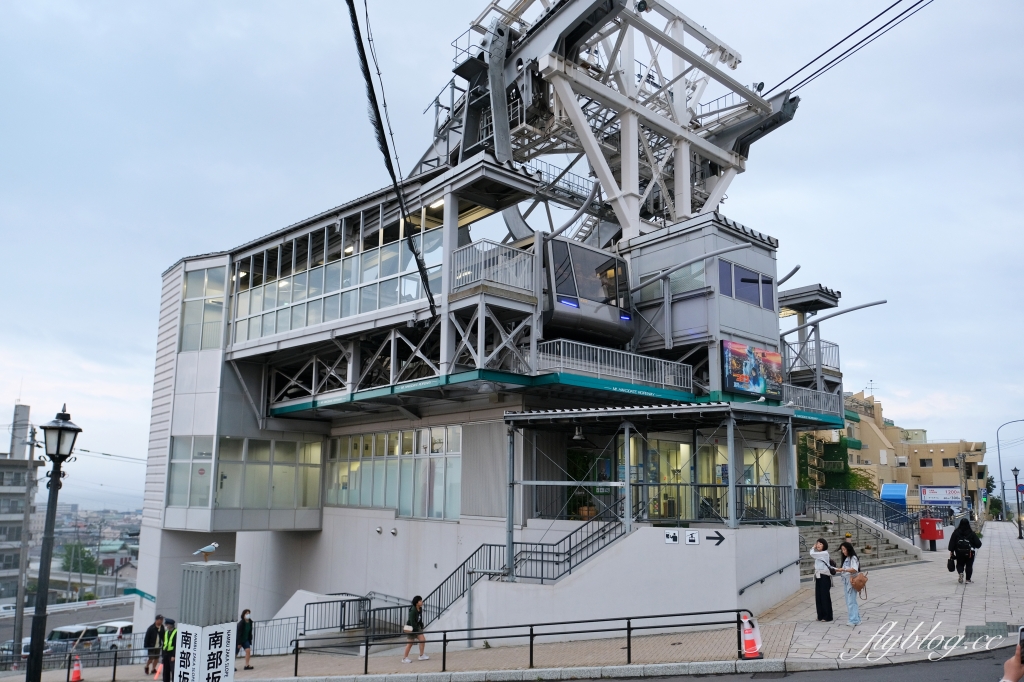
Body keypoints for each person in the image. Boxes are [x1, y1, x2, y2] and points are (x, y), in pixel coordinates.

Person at [947, 517, 982, 584]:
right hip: (970, 553)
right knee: (969, 565)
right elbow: (978, 544)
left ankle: (960, 573)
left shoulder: (956, 532)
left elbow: (952, 542)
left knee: (959, 564)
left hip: (959, 552)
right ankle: (968, 580)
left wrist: (951, 551)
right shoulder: (971, 533)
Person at [836, 542, 861, 626]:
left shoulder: (853, 558)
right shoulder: (847, 558)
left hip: (851, 581)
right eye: (842, 550)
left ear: (848, 549)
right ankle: (856, 618)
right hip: (846, 581)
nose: (843, 551)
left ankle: (853, 620)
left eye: (844, 549)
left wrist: (844, 569)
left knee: (851, 601)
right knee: (849, 601)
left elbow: (854, 569)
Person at [809, 538, 834, 622]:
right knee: (818, 596)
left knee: (824, 596)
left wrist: (813, 547)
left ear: (824, 545)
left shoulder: (824, 553)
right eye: (817, 543)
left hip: (824, 577)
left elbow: (812, 554)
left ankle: (828, 616)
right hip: (818, 576)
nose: (818, 545)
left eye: (820, 544)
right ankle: (820, 615)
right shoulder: (820, 554)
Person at [401, 596, 428, 663]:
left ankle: (421, 655)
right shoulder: (413, 610)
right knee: (410, 644)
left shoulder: (420, 609)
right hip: (411, 628)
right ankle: (404, 658)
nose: (422, 602)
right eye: (420, 601)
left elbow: (419, 618)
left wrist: (421, 625)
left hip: (417, 627)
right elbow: (412, 621)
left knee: (422, 640)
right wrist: (415, 631)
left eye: (421, 601)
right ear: (417, 602)